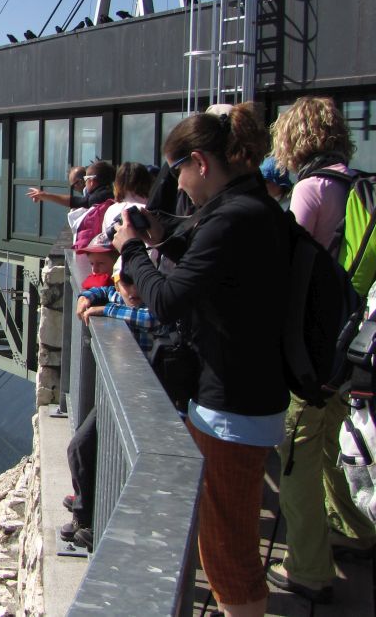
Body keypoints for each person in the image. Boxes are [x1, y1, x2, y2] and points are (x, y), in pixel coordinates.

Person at [113, 102, 289, 617]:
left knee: (228, 550)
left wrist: (132, 252)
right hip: (246, 394)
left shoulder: (235, 217)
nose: (179, 186)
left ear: (200, 161)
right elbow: (216, 282)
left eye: (179, 172)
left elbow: (168, 300)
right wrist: (162, 242)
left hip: (232, 403)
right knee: (226, 538)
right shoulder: (253, 208)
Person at [268, 96, 376, 603]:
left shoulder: (311, 189)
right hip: (352, 344)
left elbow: (286, 267)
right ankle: (355, 530)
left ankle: (310, 569)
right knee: (329, 446)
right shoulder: (360, 187)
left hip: (313, 350)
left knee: (296, 458)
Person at [63, 261, 161, 549]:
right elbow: (100, 290)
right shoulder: (117, 294)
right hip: (121, 396)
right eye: (127, 281)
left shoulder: (152, 307)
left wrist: (105, 310)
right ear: (118, 281)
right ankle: (85, 516)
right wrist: (88, 296)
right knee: (81, 447)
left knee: (121, 462)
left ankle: (105, 527)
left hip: (149, 401)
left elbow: (152, 319)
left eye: (140, 282)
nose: (134, 289)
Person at [27, 160, 115, 209]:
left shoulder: (97, 198)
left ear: (91, 181)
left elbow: (76, 201)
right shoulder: (109, 192)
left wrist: (45, 195)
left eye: (85, 179)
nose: (84, 182)